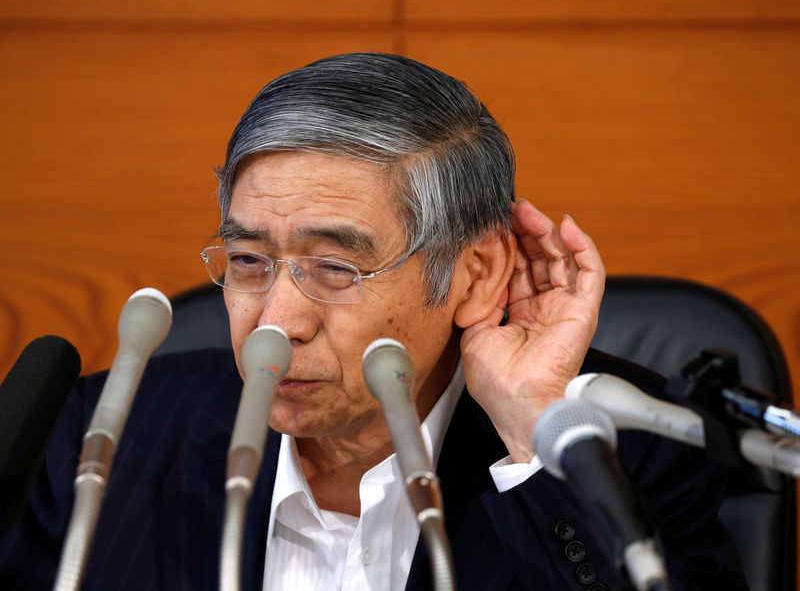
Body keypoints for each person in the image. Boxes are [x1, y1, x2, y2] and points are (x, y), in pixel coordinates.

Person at [0, 52, 745, 590]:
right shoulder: (105, 435)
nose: (279, 322)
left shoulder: (625, 454)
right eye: (249, 261)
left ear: (474, 275)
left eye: (336, 269)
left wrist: (533, 432)